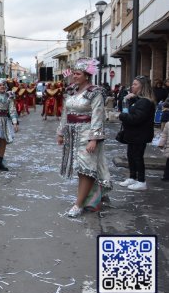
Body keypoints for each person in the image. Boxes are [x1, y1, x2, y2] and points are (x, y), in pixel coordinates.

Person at [56, 59, 112, 217]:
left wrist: (94, 139)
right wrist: (61, 132)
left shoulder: (95, 92)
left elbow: (98, 116)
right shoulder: (71, 90)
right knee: (80, 169)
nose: (74, 76)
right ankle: (89, 199)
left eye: (78, 74)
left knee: (86, 169)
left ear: (87, 76)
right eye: (73, 73)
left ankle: (78, 204)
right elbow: (65, 113)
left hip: (87, 134)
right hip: (72, 134)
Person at [117, 75, 156, 191]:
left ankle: (141, 181)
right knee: (131, 155)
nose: (132, 86)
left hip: (140, 134)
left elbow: (136, 118)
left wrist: (121, 116)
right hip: (133, 134)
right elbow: (125, 108)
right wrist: (125, 99)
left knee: (138, 157)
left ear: (142, 87)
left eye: (135, 84)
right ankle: (132, 177)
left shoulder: (145, 102)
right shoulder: (138, 100)